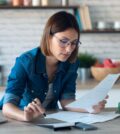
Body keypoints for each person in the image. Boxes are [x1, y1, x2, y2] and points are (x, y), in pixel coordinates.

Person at [0, 11, 107, 122]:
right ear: (49, 37)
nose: (69, 49)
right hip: (20, 121)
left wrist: (89, 107)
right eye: (63, 41)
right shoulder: (25, 62)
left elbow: (67, 100)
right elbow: (7, 107)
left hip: (50, 119)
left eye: (74, 42)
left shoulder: (72, 63)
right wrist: (25, 116)